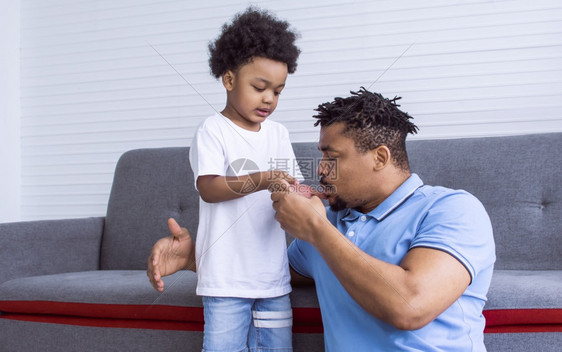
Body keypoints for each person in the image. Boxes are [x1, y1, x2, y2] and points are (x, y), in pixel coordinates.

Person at [148, 87, 496, 351]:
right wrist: (196, 257)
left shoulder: (452, 209)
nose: (322, 170)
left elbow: (409, 306)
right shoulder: (330, 223)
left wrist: (316, 228)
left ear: (380, 157)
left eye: (333, 157)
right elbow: (267, 270)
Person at [151, 7, 302, 352]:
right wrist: (265, 178)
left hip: (273, 281)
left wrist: (303, 192)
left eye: (278, 91)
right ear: (229, 79)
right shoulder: (212, 130)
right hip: (225, 280)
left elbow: (292, 185)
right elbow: (210, 188)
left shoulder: (278, 133)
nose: (269, 99)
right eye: (260, 87)